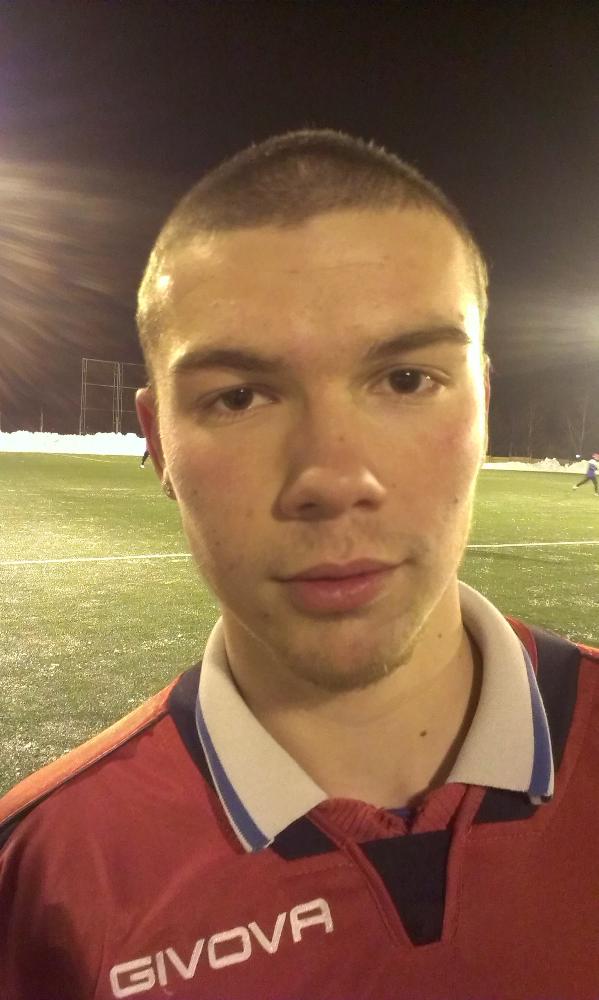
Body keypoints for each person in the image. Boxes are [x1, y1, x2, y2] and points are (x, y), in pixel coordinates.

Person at [2, 130, 599, 1000]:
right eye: (239, 396)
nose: (332, 477)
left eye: (405, 379)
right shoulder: (41, 876)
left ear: (482, 404)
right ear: (157, 442)